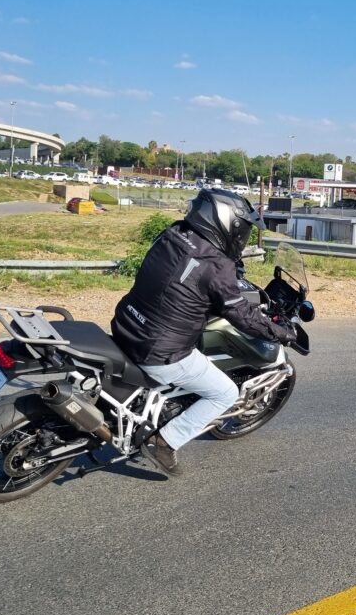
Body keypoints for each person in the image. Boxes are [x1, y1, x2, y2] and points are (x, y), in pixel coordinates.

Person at [111, 188, 296, 475]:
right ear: (225, 224)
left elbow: (182, 278)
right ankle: (165, 442)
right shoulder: (217, 266)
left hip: (127, 323)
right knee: (225, 393)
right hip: (160, 351)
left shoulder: (173, 234)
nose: (243, 238)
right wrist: (279, 332)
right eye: (242, 230)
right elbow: (243, 316)